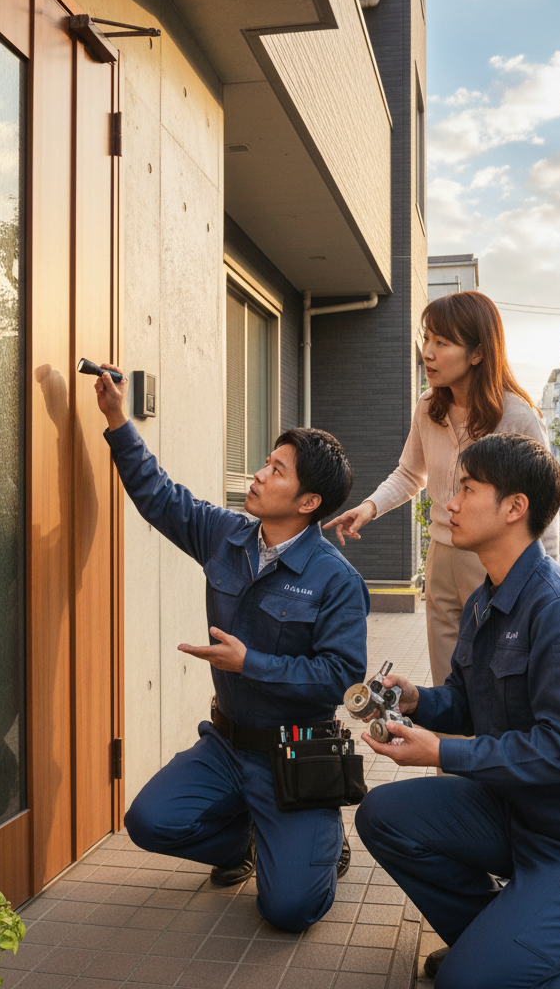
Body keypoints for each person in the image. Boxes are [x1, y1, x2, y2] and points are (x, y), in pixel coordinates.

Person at [354, 433, 560, 989]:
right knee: (383, 815)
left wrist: (441, 753)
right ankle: (492, 944)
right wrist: (417, 700)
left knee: (466, 984)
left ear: (515, 507)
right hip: (520, 814)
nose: (447, 502)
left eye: (466, 489)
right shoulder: (486, 600)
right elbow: (469, 704)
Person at [94, 366, 369, 933]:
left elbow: (342, 677)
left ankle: (315, 840)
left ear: (309, 500)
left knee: (290, 910)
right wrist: (118, 419)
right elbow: (160, 497)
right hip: (226, 744)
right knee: (148, 821)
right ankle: (243, 841)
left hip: (295, 755)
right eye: (267, 462)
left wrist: (252, 664)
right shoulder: (226, 535)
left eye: (276, 470)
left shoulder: (335, 579)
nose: (260, 474)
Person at [323, 291, 558, 688]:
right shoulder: (427, 407)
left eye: (442, 342)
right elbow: (409, 474)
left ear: (478, 353)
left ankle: (486, 752)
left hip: (496, 563)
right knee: (448, 678)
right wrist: (368, 507)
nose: (427, 353)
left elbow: (544, 509)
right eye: (427, 339)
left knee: (497, 679)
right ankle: (447, 751)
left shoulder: (517, 416)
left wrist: (550, 583)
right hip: (442, 557)